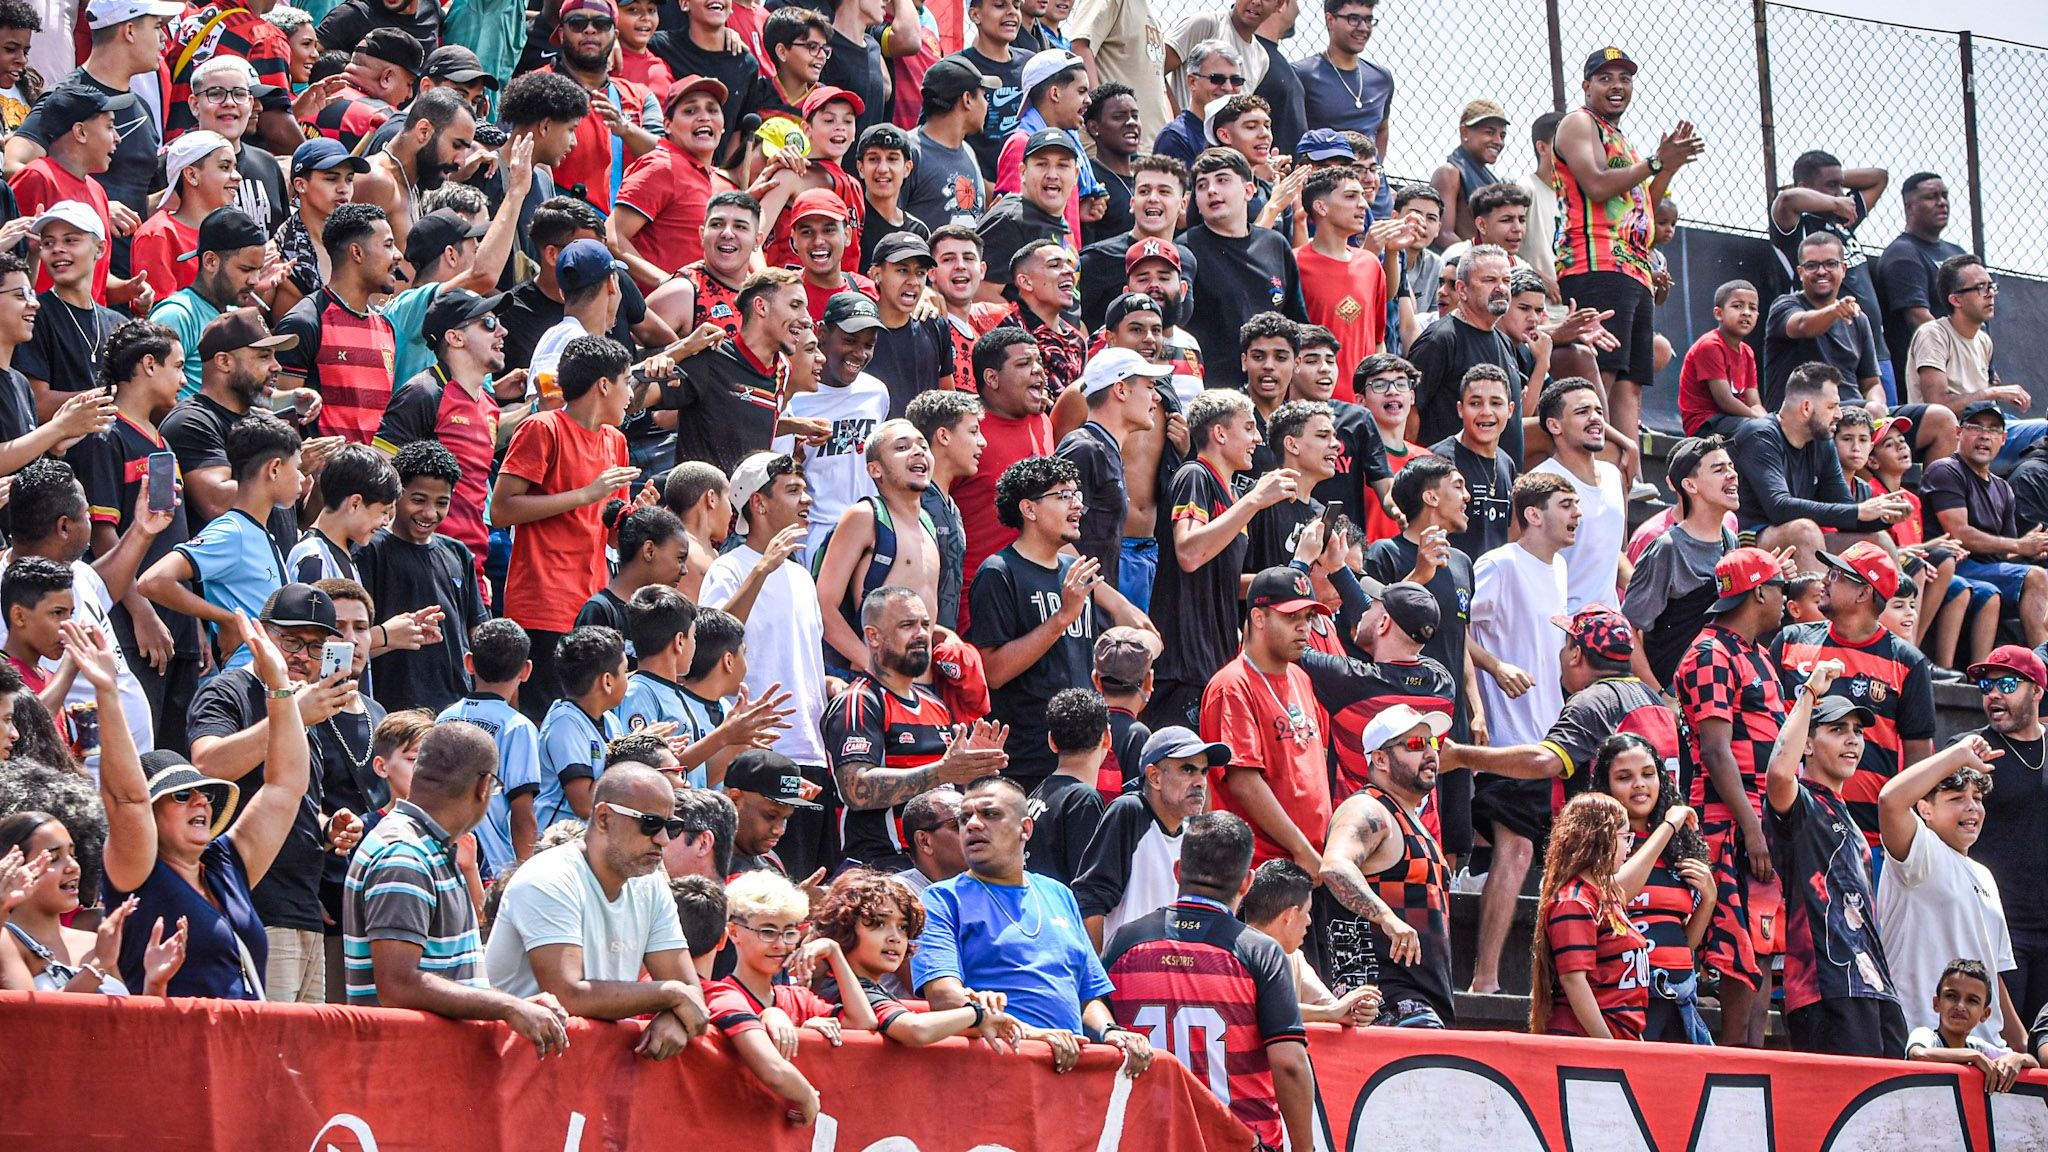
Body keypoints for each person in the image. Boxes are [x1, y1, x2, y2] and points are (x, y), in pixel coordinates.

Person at [99, 614, 304, 999]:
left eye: (204, 794)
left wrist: (279, 685)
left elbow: (284, 787)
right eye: (181, 795)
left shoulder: (225, 865)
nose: (200, 800)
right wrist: (106, 693)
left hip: (242, 1051)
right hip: (177, 1054)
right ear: (150, 815)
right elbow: (126, 799)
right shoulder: (137, 875)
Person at [341, 721, 570, 1052]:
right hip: (402, 1072)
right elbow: (397, 985)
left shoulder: (431, 847)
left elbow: (451, 980)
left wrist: (512, 1005)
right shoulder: (405, 854)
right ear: (483, 786)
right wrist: (507, 1006)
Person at [908, 775, 1154, 1075]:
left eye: (990, 814)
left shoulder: (1059, 894)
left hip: (1067, 1076)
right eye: (964, 818)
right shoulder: (940, 899)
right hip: (994, 1075)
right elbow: (944, 999)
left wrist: (1110, 1031)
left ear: (1025, 828)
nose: (972, 825)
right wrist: (1033, 1035)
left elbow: (1088, 994)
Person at [1103, 811, 1309, 1148]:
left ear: (1178, 870)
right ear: (1247, 882)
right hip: (1238, 1141)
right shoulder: (1259, 952)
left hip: (1146, 1140)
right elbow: (1288, 1063)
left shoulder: (1126, 942)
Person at [1551, 48, 1701, 488]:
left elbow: (1645, 211)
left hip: (1632, 269)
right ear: (1586, 86)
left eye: (1624, 78)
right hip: (1595, 263)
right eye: (1605, 77)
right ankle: (1592, 469)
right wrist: (1655, 162)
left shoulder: (1624, 140)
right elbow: (1596, 186)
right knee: (1604, 370)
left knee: (1631, 382)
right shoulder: (1579, 123)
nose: (1616, 85)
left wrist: (1665, 170)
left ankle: (1624, 478)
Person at [484, 763, 710, 1054]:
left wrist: (676, 1018)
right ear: (604, 818)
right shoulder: (549, 876)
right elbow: (567, 995)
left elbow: (692, 994)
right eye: (650, 823)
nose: (664, 839)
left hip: (585, 1071)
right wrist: (670, 995)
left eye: (672, 826)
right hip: (515, 1071)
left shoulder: (650, 882)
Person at [971, 455, 1150, 786]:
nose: (1077, 506)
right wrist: (1063, 616)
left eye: (1077, 495)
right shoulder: (999, 573)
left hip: (1082, 755)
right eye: (1063, 495)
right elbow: (993, 673)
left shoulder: (1075, 572)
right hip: (1026, 761)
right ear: (1029, 509)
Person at [489, 335, 638, 718]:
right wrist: (584, 495)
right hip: (543, 605)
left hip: (592, 605)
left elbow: (612, 531)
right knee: (545, 717)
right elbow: (501, 510)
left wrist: (635, 517)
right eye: (627, 381)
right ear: (604, 384)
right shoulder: (543, 428)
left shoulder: (616, 442)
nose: (631, 395)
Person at [1766, 658, 1908, 1058]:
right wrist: (1809, 692)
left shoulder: (1846, 813)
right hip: (1826, 987)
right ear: (1807, 743)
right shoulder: (1802, 803)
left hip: (1874, 984)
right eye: (1837, 730)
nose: (1853, 740)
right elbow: (1778, 773)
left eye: (1858, 731)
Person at [702, 455, 834, 876]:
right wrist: (761, 570)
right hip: (759, 754)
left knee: (807, 882)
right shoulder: (728, 568)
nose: (807, 499)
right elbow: (712, 642)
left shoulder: (801, 576)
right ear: (757, 503)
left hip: (810, 750)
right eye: (793, 490)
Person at [825, 585, 1006, 870]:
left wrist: (972, 771)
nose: (922, 634)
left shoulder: (935, 704)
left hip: (942, 867)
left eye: (925, 624)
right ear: (873, 636)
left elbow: (946, 789)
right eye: (907, 625)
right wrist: (942, 771)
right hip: (881, 869)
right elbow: (856, 789)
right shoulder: (859, 701)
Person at [1148, 390, 1291, 728]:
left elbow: (1222, 580)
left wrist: (1291, 581)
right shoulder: (1194, 476)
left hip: (1215, 664)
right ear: (1220, 433)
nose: (1258, 438)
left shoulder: (1234, 496)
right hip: (1183, 668)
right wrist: (1254, 501)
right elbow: (1189, 552)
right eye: (1248, 427)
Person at [1877, 732, 2025, 1050]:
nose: (1971, 808)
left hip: (1985, 1050)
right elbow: (1890, 801)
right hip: (1922, 1045)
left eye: (1978, 799)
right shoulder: (1920, 854)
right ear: (1925, 809)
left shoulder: (1985, 876)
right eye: (1957, 798)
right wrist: (1958, 754)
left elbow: (1991, 974)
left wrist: (2021, 1044)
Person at [1316, 703, 1452, 1025]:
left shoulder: (1411, 821)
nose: (1430, 753)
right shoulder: (1368, 808)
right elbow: (1334, 866)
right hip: (1385, 1003)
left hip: (1425, 1000)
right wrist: (1386, 918)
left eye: (1431, 743)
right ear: (1380, 759)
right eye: (1416, 744)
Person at [136, 411, 300, 674]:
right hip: (246, 676)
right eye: (297, 468)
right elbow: (153, 581)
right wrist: (228, 620)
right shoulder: (232, 531)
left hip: (271, 676)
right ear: (275, 469)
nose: (301, 478)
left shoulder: (262, 534)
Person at [1584, 733, 1717, 1044]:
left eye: (1648, 774)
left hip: (1678, 996)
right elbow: (1617, 894)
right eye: (1624, 777)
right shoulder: (1600, 846)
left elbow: (1683, 942)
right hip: (1628, 998)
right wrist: (1668, 826)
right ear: (1605, 785)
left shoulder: (1680, 845)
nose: (1639, 784)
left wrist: (1708, 900)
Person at [1530, 791, 1695, 1041]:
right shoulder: (1574, 901)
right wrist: (1608, 1047)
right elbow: (1574, 981)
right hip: (1585, 1047)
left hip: (1620, 1041)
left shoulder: (1608, 896)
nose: (1628, 847)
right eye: (1624, 837)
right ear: (1601, 838)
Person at [1730, 363, 1909, 573]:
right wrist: (1860, 510)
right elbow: (1779, 507)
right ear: (1806, 408)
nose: (1839, 415)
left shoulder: (1822, 443)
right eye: (1832, 406)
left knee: (1879, 541)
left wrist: (1882, 516)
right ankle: (1816, 605)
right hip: (1749, 539)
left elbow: (1843, 508)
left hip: (1800, 538)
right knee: (1805, 531)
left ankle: (1898, 605)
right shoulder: (1760, 436)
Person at [671, 878, 822, 1126]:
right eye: (768, 931)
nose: (780, 943)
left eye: (790, 931)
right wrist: (808, 1099)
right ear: (727, 936)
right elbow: (773, 1070)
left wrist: (834, 952)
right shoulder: (721, 996)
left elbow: (863, 1021)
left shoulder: (641, 990)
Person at [809, 868, 1023, 1041]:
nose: (895, 938)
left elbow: (942, 1027)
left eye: (902, 927)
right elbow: (917, 1030)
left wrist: (998, 1020)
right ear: (843, 928)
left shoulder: (862, 985)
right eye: (879, 924)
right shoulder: (849, 989)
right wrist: (977, 1012)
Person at [652, 268, 809, 479]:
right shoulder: (709, 357)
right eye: (795, 306)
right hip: (701, 507)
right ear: (761, 307)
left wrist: (795, 426)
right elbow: (630, 400)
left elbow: (743, 422)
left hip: (749, 509)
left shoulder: (782, 368)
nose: (806, 318)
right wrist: (675, 352)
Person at [1075, 724, 1220, 946]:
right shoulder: (1129, 812)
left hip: (1168, 974)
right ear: (1154, 777)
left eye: (1204, 771)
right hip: (1122, 973)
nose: (1200, 782)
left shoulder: (1195, 830)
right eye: (1188, 769)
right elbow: (1091, 901)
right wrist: (1099, 974)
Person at [1965, 647, 2048, 1029]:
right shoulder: (1968, 752)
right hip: (1997, 932)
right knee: (2002, 1047)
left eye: (2007, 684)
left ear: (2037, 691)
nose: (1993, 694)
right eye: (1987, 685)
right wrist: (1960, 763)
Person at [1923, 402, 2048, 650]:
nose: (1984, 436)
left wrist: (2034, 548)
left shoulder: (2002, 488)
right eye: (1976, 427)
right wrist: (2020, 545)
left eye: (1993, 430)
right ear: (1958, 433)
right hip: (1950, 566)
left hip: (1987, 569)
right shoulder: (1946, 470)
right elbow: (1959, 533)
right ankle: (2041, 667)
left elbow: (2006, 552)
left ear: (2004, 439)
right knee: (2035, 577)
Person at [1179, 148, 1301, 395]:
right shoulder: (1185, 250)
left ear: (1249, 190)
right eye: (1202, 185)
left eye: (1222, 180)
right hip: (1212, 394)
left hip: (1271, 392)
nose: (1211, 190)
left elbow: (1296, 322)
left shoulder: (1275, 245)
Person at [1622, 436, 1738, 686]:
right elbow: (1628, 628)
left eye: (1731, 467)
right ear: (1690, 485)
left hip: (1716, 685)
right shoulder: (1667, 549)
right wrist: (1660, 696)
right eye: (1719, 470)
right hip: (1675, 691)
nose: (1731, 475)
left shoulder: (1730, 539)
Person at [1908, 254, 2044, 467]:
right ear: (1956, 299)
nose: (1990, 294)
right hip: (1960, 433)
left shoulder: (1983, 341)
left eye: (1992, 286)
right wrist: (1993, 392)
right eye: (1981, 287)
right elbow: (1936, 403)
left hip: (1992, 428)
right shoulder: (1933, 334)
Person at [1768, 150, 1889, 380]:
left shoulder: (1842, 221)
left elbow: (1879, 177)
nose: (1841, 193)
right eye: (1832, 185)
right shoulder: (1796, 226)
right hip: (1828, 350)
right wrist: (1834, 202)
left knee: (1884, 413)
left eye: (1840, 186)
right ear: (1804, 186)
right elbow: (1787, 199)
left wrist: (1836, 183)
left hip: (1871, 348)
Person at [955, 328, 1053, 605]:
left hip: (1038, 594)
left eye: (1039, 363)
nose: (1038, 372)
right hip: (980, 597)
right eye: (1024, 364)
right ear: (992, 378)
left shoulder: (1043, 421)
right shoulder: (964, 429)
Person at [610, 76, 737, 291]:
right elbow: (612, 237)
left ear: (723, 126)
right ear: (667, 125)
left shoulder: (722, 181)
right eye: (690, 111)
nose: (704, 117)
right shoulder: (662, 166)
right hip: (658, 315)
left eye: (712, 110)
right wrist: (669, 284)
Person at [438, 619, 542, 877]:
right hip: (492, 867)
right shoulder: (518, 726)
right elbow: (522, 812)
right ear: (526, 670)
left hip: (440, 857)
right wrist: (525, 874)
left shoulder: (444, 718)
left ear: (469, 662)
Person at [1055, 348, 1166, 589]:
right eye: (1149, 387)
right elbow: (1052, 536)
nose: (1157, 397)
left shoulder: (1103, 449)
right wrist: (1115, 604)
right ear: (1121, 390)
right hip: (1078, 612)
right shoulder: (1085, 449)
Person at [1407, 245, 1524, 467]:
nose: (1500, 288)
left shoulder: (1505, 342)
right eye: (1489, 280)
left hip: (1499, 483)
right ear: (1462, 289)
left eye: (1506, 281)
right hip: (1449, 484)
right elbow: (1410, 409)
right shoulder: (1440, 339)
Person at [1763, 232, 1885, 413]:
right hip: (1803, 413)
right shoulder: (1785, 306)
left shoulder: (1858, 319)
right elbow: (1802, 325)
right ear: (1801, 272)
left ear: (1843, 269)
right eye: (1812, 265)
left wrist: (1879, 409)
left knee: (1936, 416)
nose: (1821, 271)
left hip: (1856, 413)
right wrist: (1834, 311)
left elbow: (1871, 384)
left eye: (1830, 264)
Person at [534, 626, 629, 828]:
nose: (628, 678)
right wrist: (633, 754)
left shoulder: (611, 720)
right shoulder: (564, 723)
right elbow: (585, 805)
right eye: (625, 671)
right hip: (558, 845)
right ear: (607, 681)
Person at [906, 389, 984, 631]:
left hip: (942, 649)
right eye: (973, 431)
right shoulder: (912, 503)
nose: (983, 441)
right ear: (943, 436)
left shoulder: (951, 506)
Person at [1876, 173, 1967, 377]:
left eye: (1944, 195)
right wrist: (1961, 354)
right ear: (1909, 207)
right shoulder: (1902, 254)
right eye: (1931, 197)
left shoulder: (1957, 252)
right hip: (1928, 371)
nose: (1942, 203)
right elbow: (1918, 317)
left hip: (1966, 364)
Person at [1907, 959, 2038, 1092]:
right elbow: (1918, 1054)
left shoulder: (1978, 1047)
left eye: (1972, 1000)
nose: (1960, 1006)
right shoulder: (1925, 1035)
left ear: (1985, 1014)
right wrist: (1973, 1057)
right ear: (1936, 1003)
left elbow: (2034, 1063)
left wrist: (2018, 1058)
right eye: (1951, 996)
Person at [1427, 365, 1515, 560]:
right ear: (1460, 409)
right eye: (1475, 403)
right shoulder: (1439, 459)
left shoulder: (1507, 463)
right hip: (1452, 579)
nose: (1486, 412)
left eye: (1496, 403)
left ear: (1510, 410)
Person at [900, 59, 997, 231]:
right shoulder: (909, 151)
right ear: (967, 99)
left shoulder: (968, 151)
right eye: (984, 95)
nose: (987, 104)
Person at [1676, 279, 1764, 438]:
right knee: (1756, 431)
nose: (1746, 312)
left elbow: (1754, 402)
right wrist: (1759, 420)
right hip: (1705, 423)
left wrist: (1770, 422)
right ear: (1718, 313)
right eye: (1737, 306)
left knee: (1774, 432)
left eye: (1752, 308)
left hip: (1736, 420)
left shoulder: (1748, 352)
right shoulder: (1710, 345)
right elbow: (1724, 400)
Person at [1427, 98, 1506, 249]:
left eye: (1502, 135)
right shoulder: (1450, 173)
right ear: (1465, 132)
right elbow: (1443, 234)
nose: (1498, 141)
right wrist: (1478, 259)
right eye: (1489, 132)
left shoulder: (1491, 180)